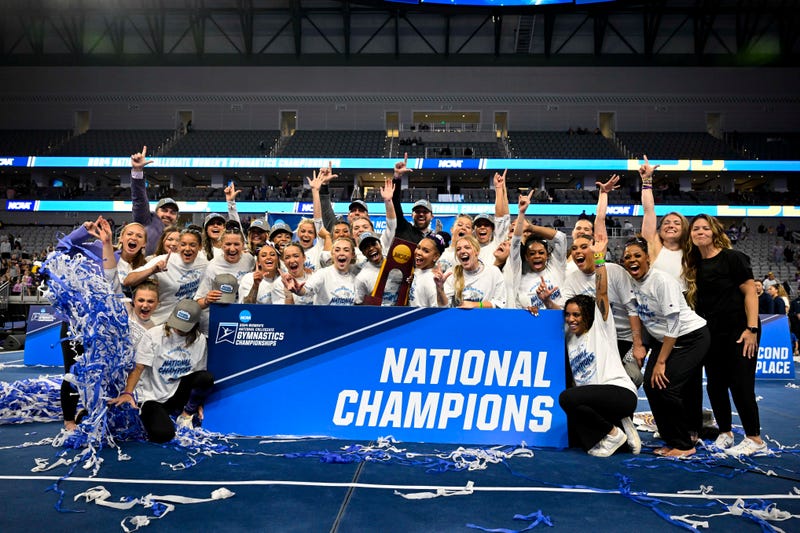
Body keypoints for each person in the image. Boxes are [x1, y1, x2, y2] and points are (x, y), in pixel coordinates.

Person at [683, 213, 766, 457]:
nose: (700, 232)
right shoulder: (694, 265)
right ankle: (725, 433)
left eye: (705, 228)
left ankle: (755, 439)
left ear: (714, 231)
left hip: (741, 331)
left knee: (741, 384)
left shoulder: (733, 257)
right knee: (715, 385)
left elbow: (750, 292)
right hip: (711, 334)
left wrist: (751, 329)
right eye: (695, 229)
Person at [559, 218, 640, 457]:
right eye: (568, 315)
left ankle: (612, 433)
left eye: (576, 315)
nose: (571, 319)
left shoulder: (600, 326)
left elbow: (601, 292)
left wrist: (600, 259)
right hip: (597, 400)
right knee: (576, 434)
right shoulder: (569, 339)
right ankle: (623, 427)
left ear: (588, 314)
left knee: (566, 398)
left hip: (619, 391)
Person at [622, 237, 710, 457]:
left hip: (691, 337)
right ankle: (671, 439)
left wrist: (661, 361)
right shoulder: (630, 281)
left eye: (637, 255)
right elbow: (635, 313)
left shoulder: (662, 281)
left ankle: (685, 444)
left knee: (667, 387)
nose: (632, 260)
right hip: (664, 340)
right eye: (627, 257)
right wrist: (638, 344)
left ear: (648, 258)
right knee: (651, 386)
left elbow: (674, 324)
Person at [561, 176, 647, 386]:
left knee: (632, 378)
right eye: (575, 247)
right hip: (594, 337)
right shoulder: (570, 275)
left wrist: (637, 344)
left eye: (584, 246)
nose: (578, 251)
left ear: (595, 247)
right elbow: (563, 310)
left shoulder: (614, 271)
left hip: (622, 337)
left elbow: (632, 309)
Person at [109, 299, 212, 443]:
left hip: (177, 392)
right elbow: (138, 367)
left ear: (195, 324)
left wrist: (197, 402)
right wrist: (128, 393)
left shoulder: (199, 340)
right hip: (152, 397)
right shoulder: (153, 335)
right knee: (163, 435)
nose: (179, 329)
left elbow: (199, 374)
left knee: (206, 378)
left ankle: (185, 415)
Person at [123, 226, 209, 325]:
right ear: (178, 246)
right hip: (159, 322)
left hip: (184, 323)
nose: (187, 249)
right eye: (183, 244)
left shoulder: (204, 265)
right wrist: (152, 270)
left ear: (200, 247)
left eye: (192, 245)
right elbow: (128, 281)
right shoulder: (164, 260)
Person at [640, 155, 689, 288]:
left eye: (677, 223)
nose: (671, 225)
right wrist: (647, 180)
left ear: (684, 229)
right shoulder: (654, 246)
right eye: (666, 223)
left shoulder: (691, 253)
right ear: (660, 229)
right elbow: (648, 210)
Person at [130, 146, 179, 256]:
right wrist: (137, 171)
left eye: (172, 212)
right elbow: (139, 200)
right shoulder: (146, 220)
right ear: (156, 212)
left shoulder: (178, 234)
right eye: (164, 210)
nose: (168, 214)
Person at [283, 237, 357, 305]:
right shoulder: (322, 274)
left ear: (352, 254)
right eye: (337, 250)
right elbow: (306, 290)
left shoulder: (356, 277)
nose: (341, 253)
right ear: (332, 254)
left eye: (346, 250)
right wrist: (298, 290)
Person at [444, 235, 506, 308]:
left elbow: (500, 303)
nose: (462, 251)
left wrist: (476, 305)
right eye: (458, 249)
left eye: (467, 247)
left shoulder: (493, 272)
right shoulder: (451, 273)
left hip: (485, 315)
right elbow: (444, 306)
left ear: (477, 251)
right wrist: (440, 289)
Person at [391, 153, 433, 244]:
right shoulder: (403, 229)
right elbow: (395, 202)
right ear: (412, 215)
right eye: (417, 211)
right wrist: (397, 177)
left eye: (425, 211)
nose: (421, 214)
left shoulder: (436, 239)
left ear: (432, 216)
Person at [409, 233, 449, 308]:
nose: (418, 252)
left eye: (426, 251)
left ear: (435, 256)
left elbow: (438, 312)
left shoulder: (432, 281)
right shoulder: (419, 270)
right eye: (418, 247)